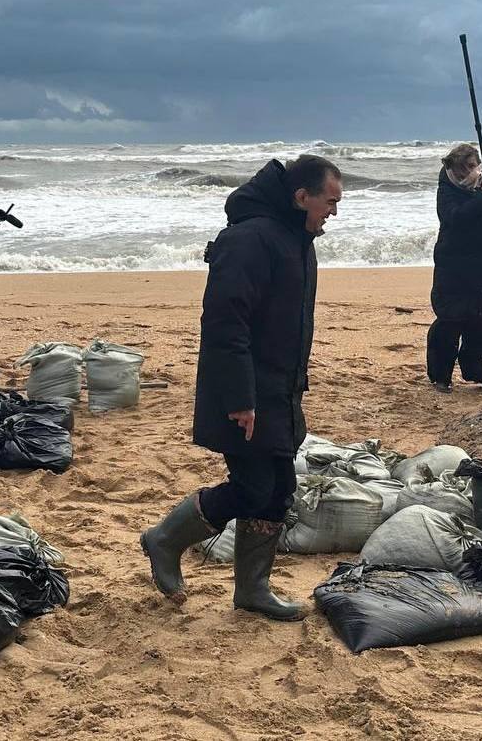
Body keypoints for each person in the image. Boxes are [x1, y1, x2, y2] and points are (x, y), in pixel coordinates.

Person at [140, 155, 342, 620]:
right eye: (329, 202)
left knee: (278, 490)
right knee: (253, 488)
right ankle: (165, 538)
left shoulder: (298, 238)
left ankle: (252, 590)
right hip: (245, 391)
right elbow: (225, 325)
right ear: (301, 197)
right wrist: (240, 399)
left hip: (281, 388)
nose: (333, 211)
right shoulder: (250, 239)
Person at [427, 143, 482, 394]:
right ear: (452, 168)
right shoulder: (447, 190)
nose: (469, 173)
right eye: (463, 168)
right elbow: (455, 218)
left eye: (473, 166)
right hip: (454, 265)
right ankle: (441, 375)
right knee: (451, 320)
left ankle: (478, 370)